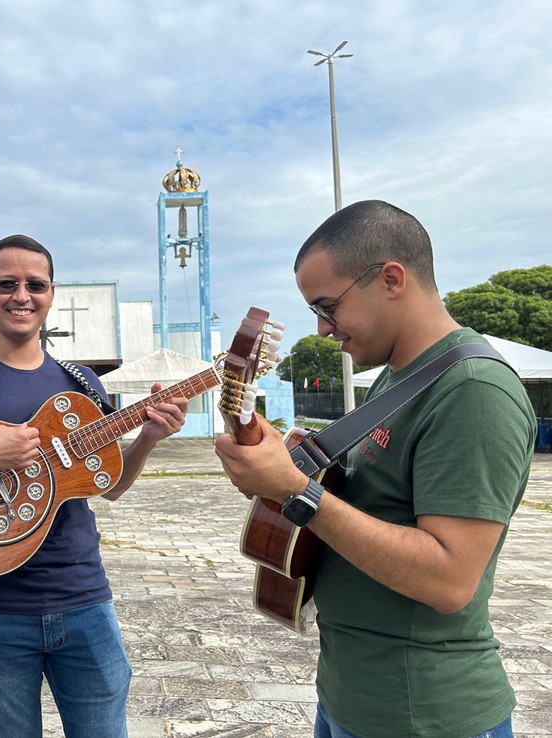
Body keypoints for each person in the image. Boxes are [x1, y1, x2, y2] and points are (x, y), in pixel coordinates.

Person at [215, 200, 537, 738]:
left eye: (328, 306)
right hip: (352, 697)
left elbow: (450, 579)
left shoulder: (473, 390)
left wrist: (296, 491)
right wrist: (272, 464)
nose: (321, 329)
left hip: (423, 714)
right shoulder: (398, 378)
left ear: (390, 279)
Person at [0, 234, 188, 737]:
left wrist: (147, 437)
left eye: (35, 285)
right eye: (7, 284)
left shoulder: (81, 383)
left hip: (84, 600)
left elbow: (109, 485)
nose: (22, 295)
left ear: (52, 293)